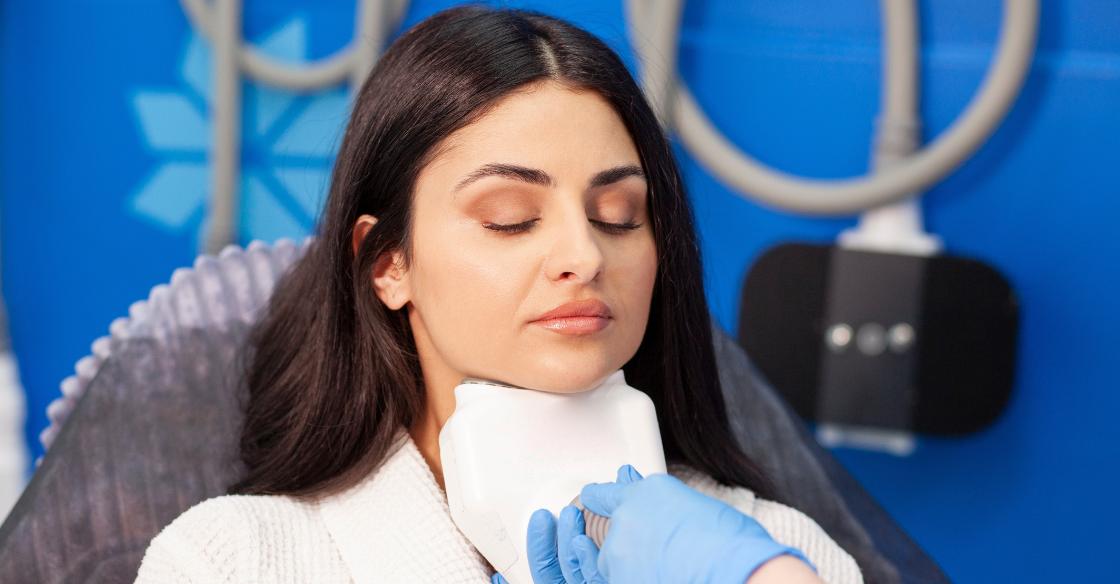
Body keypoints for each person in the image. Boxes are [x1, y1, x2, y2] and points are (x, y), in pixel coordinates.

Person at [134, 5, 862, 583]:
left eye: (619, 217)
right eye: (509, 219)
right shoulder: (227, 562)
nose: (583, 255)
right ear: (386, 263)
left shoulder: (777, 554)